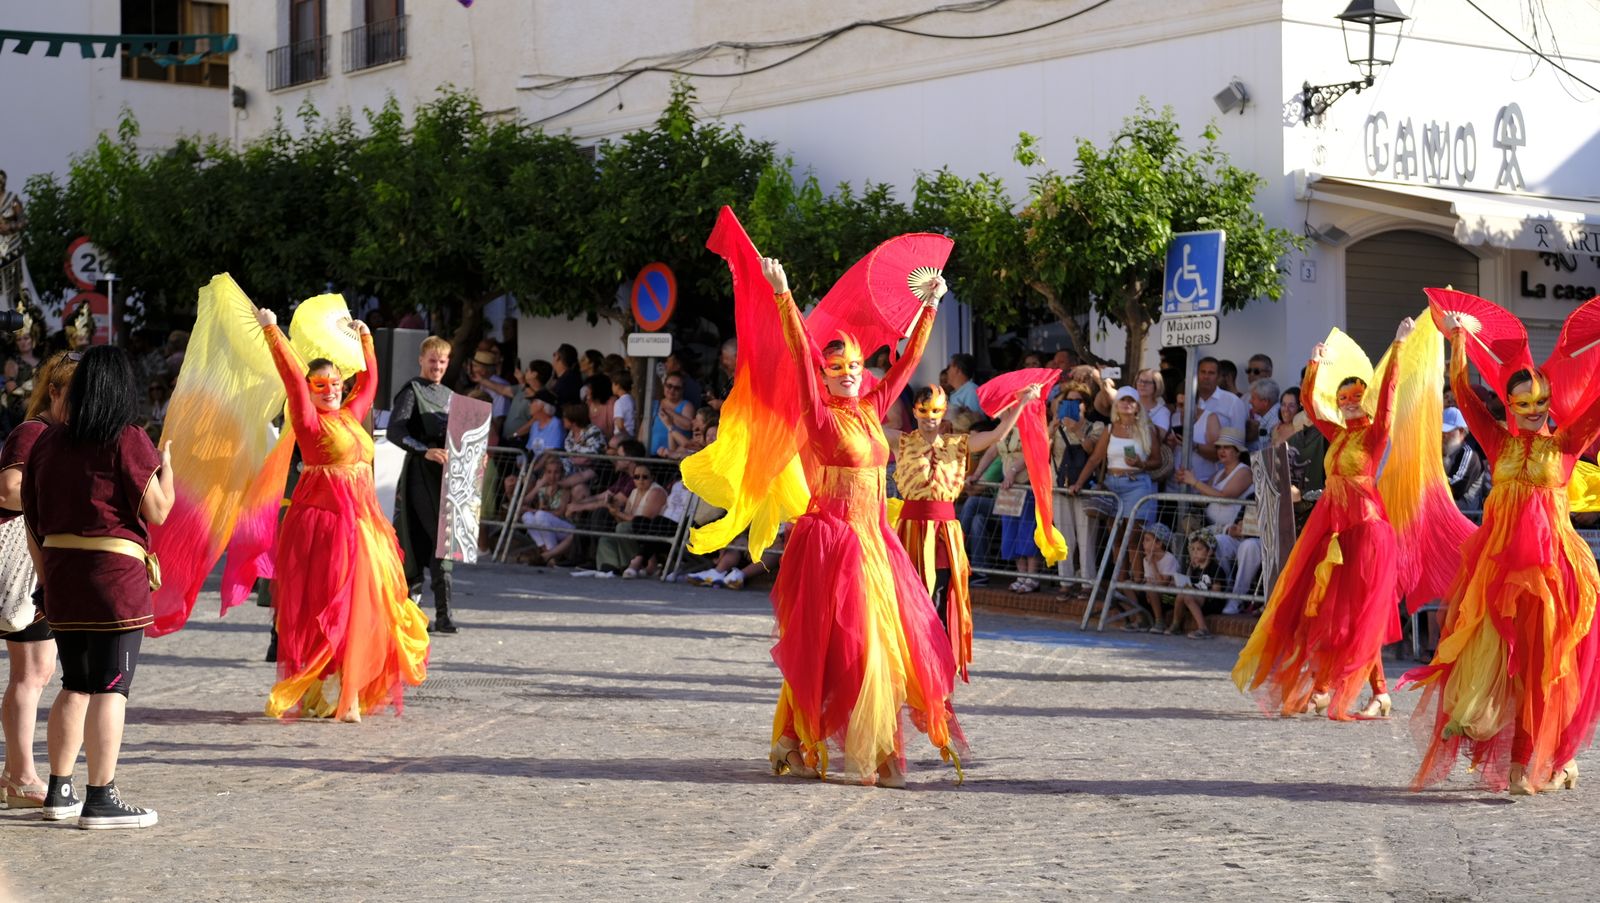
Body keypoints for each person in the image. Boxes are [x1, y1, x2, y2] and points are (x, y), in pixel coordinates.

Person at [760, 256, 962, 788]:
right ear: (826, 375)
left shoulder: (873, 407)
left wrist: (931, 306)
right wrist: (784, 296)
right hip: (836, 545)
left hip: (876, 543)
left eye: (853, 365)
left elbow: (908, 364)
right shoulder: (819, 414)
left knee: (885, 648)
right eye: (837, 367)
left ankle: (831, 746)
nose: (848, 372)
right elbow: (802, 357)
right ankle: (859, 753)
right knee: (853, 647)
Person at [1406, 312, 1600, 795]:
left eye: (1541, 401)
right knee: (1499, 664)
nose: (1535, 409)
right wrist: (1457, 341)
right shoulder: (1497, 442)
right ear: (1510, 405)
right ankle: (1520, 755)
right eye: (1524, 402)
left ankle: (1545, 759)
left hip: (1554, 578)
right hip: (1499, 577)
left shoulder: (1567, 442)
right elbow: (1465, 395)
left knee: (1546, 671)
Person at [1233, 319, 1415, 720]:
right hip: (1335, 529)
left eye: (1357, 395)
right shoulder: (1339, 434)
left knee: (1358, 614)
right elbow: (1312, 406)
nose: (1350, 400)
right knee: (1334, 611)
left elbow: (1387, 401)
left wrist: (1398, 346)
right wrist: (1313, 366)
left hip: (1366, 530)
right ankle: (1352, 689)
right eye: (1344, 395)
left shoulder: (1373, 435)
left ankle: (1337, 688)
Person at [254, 308, 429, 722]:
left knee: (371, 606)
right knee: (332, 608)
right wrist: (271, 331)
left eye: (335, 383)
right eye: (321, 385)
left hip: (364, 528)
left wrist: (366, 337)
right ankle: (336, 686)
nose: (329, 390)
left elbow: (369, 382)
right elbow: (293, 381)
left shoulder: (351, 417)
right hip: (326, 527)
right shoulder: (308, 421)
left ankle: (347, 691)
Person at [24, 346, 174, 829]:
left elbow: (32, 519)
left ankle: (59, 789)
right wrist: (167, 470)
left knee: (75, 684)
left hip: (63, 574)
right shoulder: (126, 437)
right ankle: (100, 796)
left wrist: (47, 580)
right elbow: (157, 510)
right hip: (114, 579)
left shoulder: (47, 443)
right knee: (111, 688)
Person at [890, 382, 1037, 680]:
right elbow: (865, 427)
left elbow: (997, 435)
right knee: (910, 596)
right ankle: (911, 662)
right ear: (915, 412)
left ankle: (937, 662)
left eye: (936, 410)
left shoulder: (959, 443)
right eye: (923, 409)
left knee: (940, 595)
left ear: (944, 412)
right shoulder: (901, 442)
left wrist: (1021, 403)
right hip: (910, 531)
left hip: (944, 531)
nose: (930, 416)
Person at [0, 351, 75, 810]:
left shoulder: (58, 435)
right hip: (19, 561)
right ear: (53, 392)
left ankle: (17, 771)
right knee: (30, 672)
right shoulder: (32, 432)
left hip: (37, 559)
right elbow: (9, 487)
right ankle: (20, 773)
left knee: (37, 670)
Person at [388, 336, 459, 634]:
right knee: (424, 539)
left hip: (445, 477)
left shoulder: (450, 395)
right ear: (421, 360)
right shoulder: (411, 391)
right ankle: (413, 614)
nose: (437, 366)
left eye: (442, 361)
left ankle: (444, 614)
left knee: (446, 541)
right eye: (433, 360)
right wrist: (423, 450)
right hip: (420, 474)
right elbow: (395, 429)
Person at [1441, 406, 1487, 511]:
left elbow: (1456, 488)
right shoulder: (1442, 450)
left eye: (1447, 430)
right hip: (1447, 510)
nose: (1443, 434)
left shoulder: (1469, 454)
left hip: (1465, 515)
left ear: (1461, 431)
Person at [651, 373, 695, 457]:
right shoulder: (655, 404)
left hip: (672, 456)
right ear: (664, 386)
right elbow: (643, 428)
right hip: (651, 454)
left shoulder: (687, 405)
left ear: (682, 390)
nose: (672, 390)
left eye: (677, 388)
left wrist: (669, 412)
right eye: (669, 386)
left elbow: (688, 425)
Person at [943, 354, 982, 429]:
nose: (947, 371)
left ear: (957, 369)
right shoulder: (957, 392)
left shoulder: (971, 391)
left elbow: (975, 423)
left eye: (949, 367)